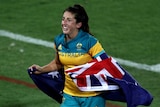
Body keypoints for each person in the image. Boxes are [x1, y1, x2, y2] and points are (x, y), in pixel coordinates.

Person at [29, 4, 109, 107]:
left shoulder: (90, 42)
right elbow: (58, 63)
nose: (64, 23)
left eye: (69, 20)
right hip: (70, 95)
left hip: (92, 96)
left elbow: (105, 64)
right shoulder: (59, 41)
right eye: (63, 19)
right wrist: (41, 69)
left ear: (78, 24)